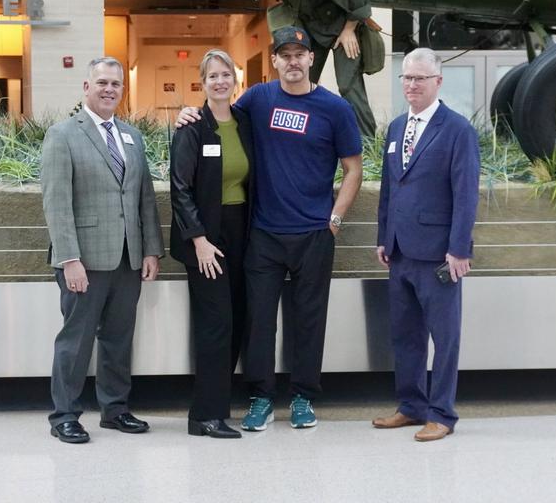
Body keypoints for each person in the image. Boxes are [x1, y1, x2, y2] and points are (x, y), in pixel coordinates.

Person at [176, 26, 363, 431]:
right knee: (259, 320)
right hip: (262, 233)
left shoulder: (335, 109)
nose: (292, 61)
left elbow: (353, 168)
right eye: (285, 55)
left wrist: (335, 219)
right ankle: (260, 397)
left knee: (309, 319)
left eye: (300, 54)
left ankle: (302, 397)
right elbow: (219, 115)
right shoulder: (258, 99)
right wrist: (188, 113)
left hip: (314, 232)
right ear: (274, 60)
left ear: (312, 59)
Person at [41, 56, 164, 444]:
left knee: (118, 338)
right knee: (76, 341)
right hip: (85, 260)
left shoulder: (132, 136)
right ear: (86, 87)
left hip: (128, 258)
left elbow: (145, 198)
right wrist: (69, 259)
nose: (110, 89)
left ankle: (115, 410)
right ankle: (64, 415)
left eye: (116, 84)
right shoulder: (63, 135)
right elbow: (56, 203)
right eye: (102, 83)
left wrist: (150, 251)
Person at [373, 48, 479, 441]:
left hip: (438, 254)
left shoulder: (457, 130)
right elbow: (390, 187)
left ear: (438, 81)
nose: (412, 84)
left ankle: (442, 414)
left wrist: (459, 249)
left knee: (444, 337)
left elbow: (465, 194)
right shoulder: (397, 127)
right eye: (406, 78)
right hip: (399, 251)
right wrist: (383, 237)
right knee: (405, 335)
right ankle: (411, 406)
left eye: (420, 78)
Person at [209, 0, 378, 137]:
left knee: (348, 86)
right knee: (298, 83)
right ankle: (301, 137)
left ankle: (368, 147)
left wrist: (349, 29)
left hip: (342, 28)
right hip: (312, 29)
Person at [170, 50, 254, 440]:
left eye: (226, 75)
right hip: (206, 236)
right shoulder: (192, 127)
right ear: (201, 84)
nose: (220, 82)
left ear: (235, 81)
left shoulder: (244, 123)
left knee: (236, 321)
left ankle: (215, 409)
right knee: (215, 324)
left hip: (241, 233)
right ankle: (206, 415)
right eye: (211, 77)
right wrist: (200, 241)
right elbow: (180, 188)